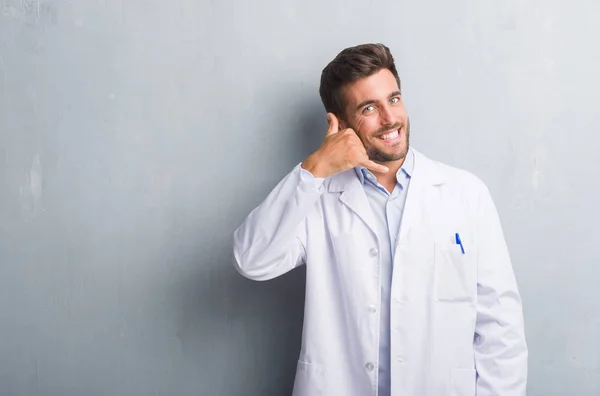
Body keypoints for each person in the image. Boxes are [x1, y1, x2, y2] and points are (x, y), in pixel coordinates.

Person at [232, 43, 528, 396]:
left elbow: (501, 327)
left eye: (394, 99)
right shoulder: (317, 197)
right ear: (339, 124)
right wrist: (315, 168)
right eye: (369, 108)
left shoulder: (465, 194)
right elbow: (251, 259)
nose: (390, 119)